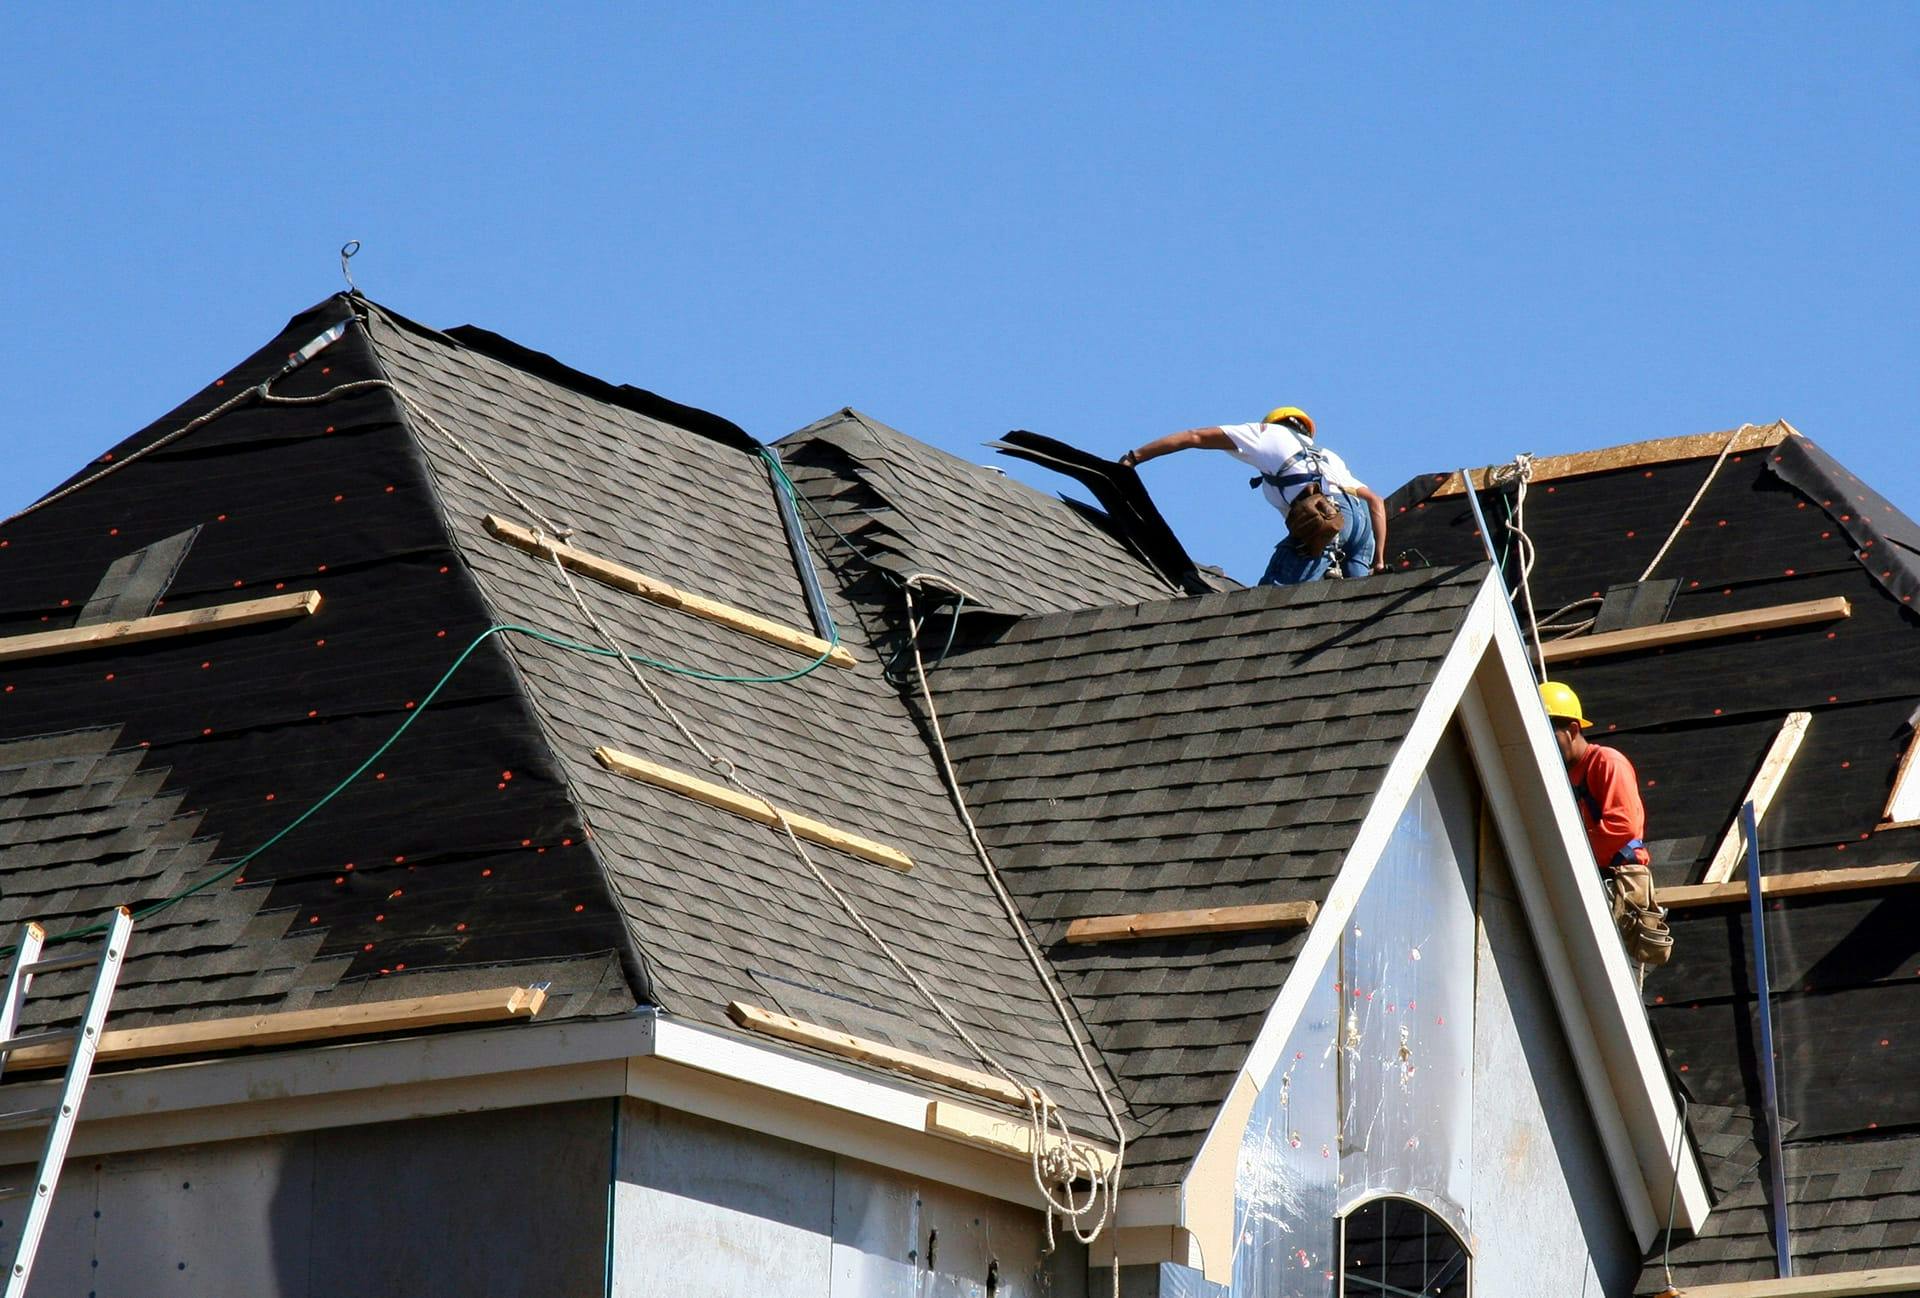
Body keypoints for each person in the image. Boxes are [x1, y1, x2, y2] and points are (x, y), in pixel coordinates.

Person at [1118, 407, 1388, 585]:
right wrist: (1379, 561)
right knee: (1357, 601)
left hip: (1328, 519)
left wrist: (1134, 457)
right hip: (1360, 526)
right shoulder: (1327, 456)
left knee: (1275, 596)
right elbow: (1374, 501)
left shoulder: (1266, 434)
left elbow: (1195, 437)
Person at [1540, 681, 1659, 918]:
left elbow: (1623, 828)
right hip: (1590, 879)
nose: (1543, 744)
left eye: (1548, 735)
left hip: (1618, 883)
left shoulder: (1606, 762)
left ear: (1573, 730)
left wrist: (1566, 851)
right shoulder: (1558, 775)